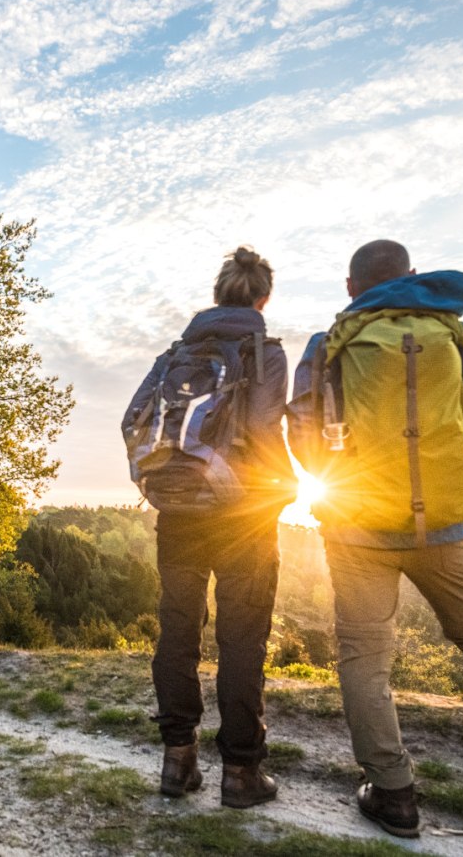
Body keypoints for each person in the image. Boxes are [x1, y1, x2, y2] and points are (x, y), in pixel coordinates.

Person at [288, 240, 463, 838]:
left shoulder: (329, 341)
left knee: (363, 653)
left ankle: (393, 795)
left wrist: (339, 477)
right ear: (412, 276)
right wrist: (458, 473)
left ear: (351, 287)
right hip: (449, 524)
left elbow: (302, 429)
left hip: (356, 524)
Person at [122, 247, 296, 808]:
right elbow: (268, 434)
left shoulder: (175, 353)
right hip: (243, 516)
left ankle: (178, 762)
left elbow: (132, 420)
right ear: (263, 298)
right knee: (242, 641)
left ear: (217, 294)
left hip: (177, 511)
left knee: (177, 636)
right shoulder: (264, 353)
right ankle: (242, 775)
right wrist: (284, 491)